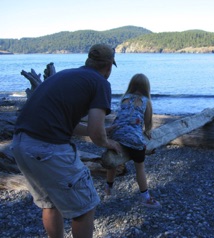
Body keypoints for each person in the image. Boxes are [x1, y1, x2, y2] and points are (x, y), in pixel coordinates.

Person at [11, 43, 122, 238]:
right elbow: (96, 135)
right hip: (47, 149)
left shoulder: (67, 75)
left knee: (50, 203)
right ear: (109, 66)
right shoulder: (100, 82)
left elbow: (67, 124)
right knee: (85, 207)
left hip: (21, 144)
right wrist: (107, 142)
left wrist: (101, 131)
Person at [105, 73, 161, 208]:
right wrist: (147, 132)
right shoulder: (146, 101)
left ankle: (108, 187)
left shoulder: (125, 98)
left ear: (131, 85)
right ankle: (145, 197)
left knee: (113, 161)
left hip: (116, 134)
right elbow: (148, 123)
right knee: (139, 167)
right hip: (134, 139)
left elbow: (121, 117)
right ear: (146, 87)